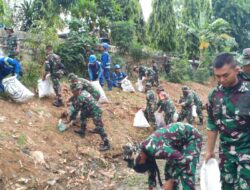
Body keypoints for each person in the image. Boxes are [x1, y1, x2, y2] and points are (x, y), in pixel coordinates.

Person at [205, 53, 250, 190]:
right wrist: (209, 150)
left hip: (247, 150)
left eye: (225, 75)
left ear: (237, 70)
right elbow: (212, 124)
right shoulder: (214, 94)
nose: (221, 80)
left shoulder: (247, 92)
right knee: (227, 185)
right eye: (217, 76)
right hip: (225, 152)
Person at [123, 122, 202, 190]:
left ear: (139, 157)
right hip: (178, 144)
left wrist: (171, 180)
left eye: (139, 163)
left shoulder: (155, 149)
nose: (141, 164)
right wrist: (151, 188)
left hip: (191, 138)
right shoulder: (145, 151)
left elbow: (181, 159)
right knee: (168, 172)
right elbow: (151, 169)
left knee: (186, 174)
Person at [68, 83, 110, 151]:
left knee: (99, 127)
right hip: (89, 109)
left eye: (73, 91)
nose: (72, 93)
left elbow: (76, 111)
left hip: (95, 111)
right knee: (83, 115)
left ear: (76, 90)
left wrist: (70, 119)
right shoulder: (84, 92)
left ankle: (107, 144)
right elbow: (76, 100)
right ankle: (82, 131)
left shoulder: (80, 97)